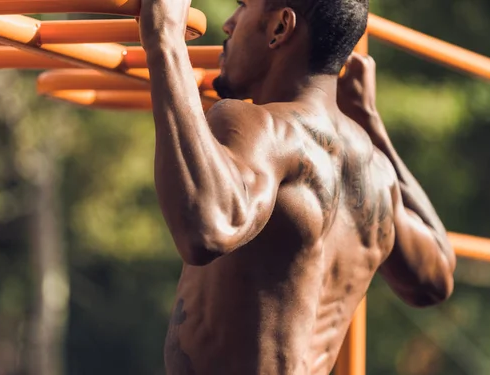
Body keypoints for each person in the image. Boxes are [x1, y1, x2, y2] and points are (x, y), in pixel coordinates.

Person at [138, 0, 457, 373]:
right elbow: (436, 276)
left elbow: (207, 227)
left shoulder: (262, 128)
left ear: (279, 28)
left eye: (243, 7)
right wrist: (371, 124)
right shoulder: (377, 173)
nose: (228, 24)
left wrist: (165, 38)